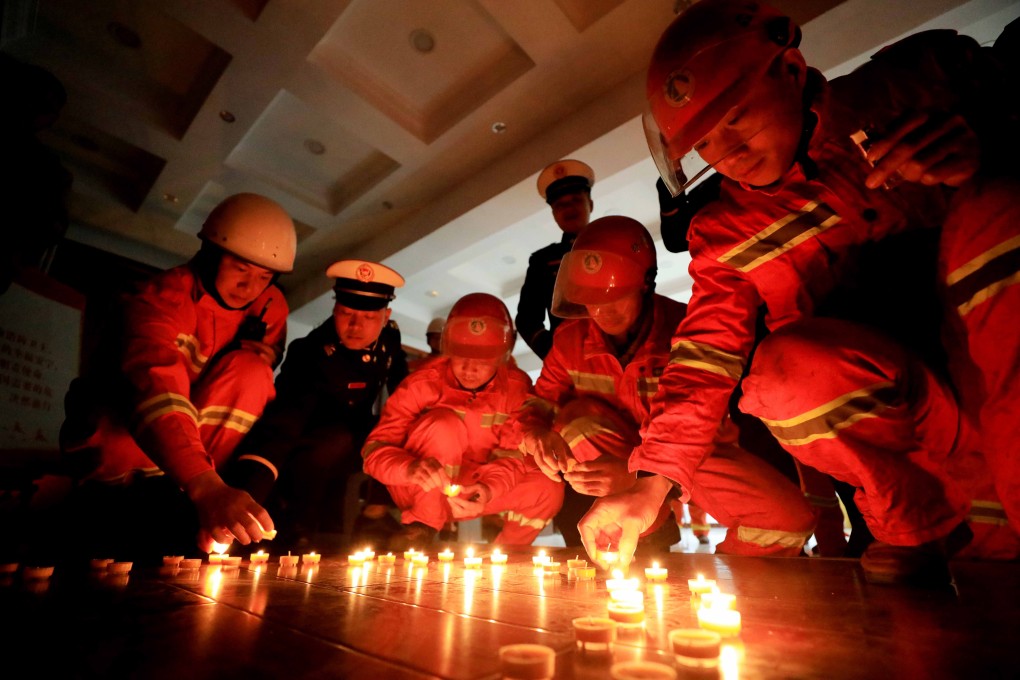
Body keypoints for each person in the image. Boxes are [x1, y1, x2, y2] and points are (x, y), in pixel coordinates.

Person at [584, 0, 1019, 582]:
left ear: (790, 71)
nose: (728, 153)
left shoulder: (915, 87)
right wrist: (651, 485)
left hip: (985, 357)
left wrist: (993, 150)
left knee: (998, 215)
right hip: (901, 409)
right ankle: (920, 524)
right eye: (705, 144)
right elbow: (705, 358)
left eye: (736, 116)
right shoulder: (724, 232)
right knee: (781, 374)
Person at [518, 216, 815, 559]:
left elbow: (703, 418)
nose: (601, 311)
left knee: (788, 520)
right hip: (617, 457)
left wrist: (640, 472)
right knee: (576, 420)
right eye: (590, 298)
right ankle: (647, 534)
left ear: (647, 282)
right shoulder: (570, 340)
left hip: (693, 454)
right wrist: (534, 431)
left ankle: (727, 585)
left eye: (615, 297)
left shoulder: (684, 329)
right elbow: (539, 402)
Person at [60, 193, 297, 559]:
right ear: (211, 253)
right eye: (240, 269)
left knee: (253, 372)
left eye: (264, 276)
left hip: (203, 465)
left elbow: (249, 384)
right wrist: (205, 487)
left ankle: (192, 502)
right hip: (125, 453)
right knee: (117, 441)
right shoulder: (159, 299)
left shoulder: (269, 306)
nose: (250, 287)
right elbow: (155, 387)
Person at [227, 260, 408, 549]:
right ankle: (299, 527)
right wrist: (250, 491)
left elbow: (403, 389)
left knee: (405, 429)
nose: (355, 326)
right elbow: (285, 422)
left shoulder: (390, 339)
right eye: (346, 313)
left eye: (369, 317)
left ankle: (378, 512)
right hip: (312, 440)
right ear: (335, 309)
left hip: (359, 434)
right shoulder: (309, 352)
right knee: (331, 446)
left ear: (386, 317)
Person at [363, 293, 564, 549]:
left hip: (472, 491)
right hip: (418, 487)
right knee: (443, 425)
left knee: (547, 486)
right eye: (461, 356)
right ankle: (421, 528)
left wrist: (488, 489)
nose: (469, 369)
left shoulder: (516, 388)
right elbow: (373, 453)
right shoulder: (421, 384)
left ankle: (507, 554)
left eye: (482, 360)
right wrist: (409, 468)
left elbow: (511, 457)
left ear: (502, 355)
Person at [516, 159, 595, 360]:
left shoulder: (616, 244)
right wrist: (555, 355)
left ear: (590, 204)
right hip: (571, 362)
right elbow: (527, 319)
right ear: (553, 213)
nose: (569, 208)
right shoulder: (542, 260)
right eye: (560, 204)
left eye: (576, 200)